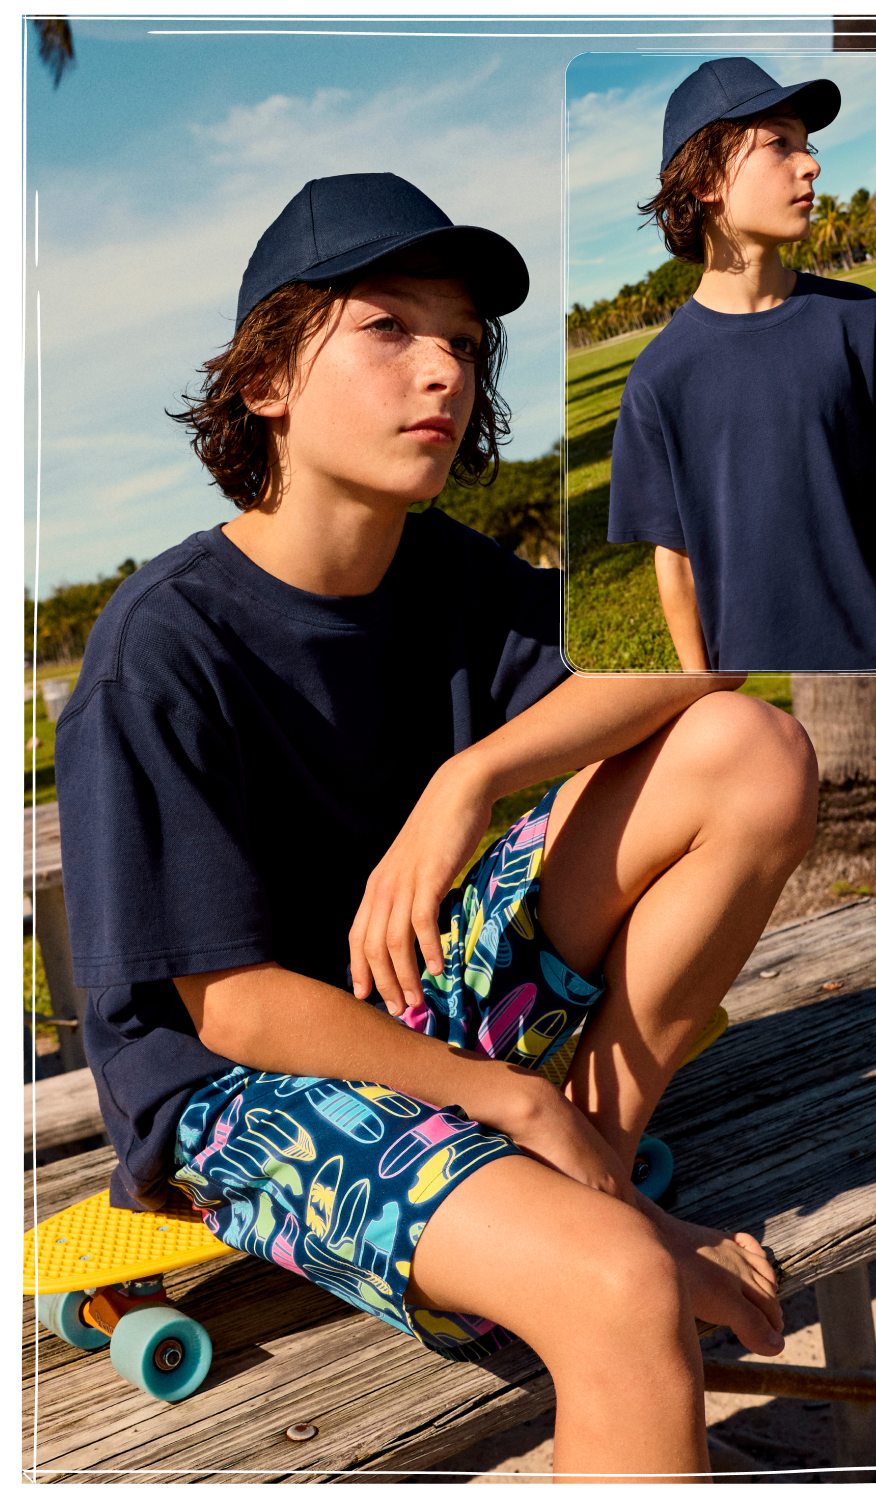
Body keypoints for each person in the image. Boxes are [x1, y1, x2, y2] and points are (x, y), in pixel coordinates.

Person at [56, 172, 817, 1484]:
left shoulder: (446, 575)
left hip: (418, 1001)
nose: (444, 370)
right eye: (388, 328)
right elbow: (230, 1006)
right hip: (244, 1086)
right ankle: (598, 1216)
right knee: (621, 1290)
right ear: (264, 383)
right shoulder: (160, 648)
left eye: (463, 342)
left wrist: (468, 779)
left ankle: (596, 1160)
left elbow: (711, 651)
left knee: (746, 750)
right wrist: (504, 1095)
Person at [607, 56, 876, 674]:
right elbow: (676, 559)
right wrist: (702, 692)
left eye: (808, 145)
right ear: (705, 180)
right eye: (780, 144)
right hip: (752, 696)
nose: (811, 165)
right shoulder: (657, 379)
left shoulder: (859, 320)